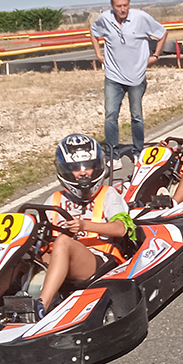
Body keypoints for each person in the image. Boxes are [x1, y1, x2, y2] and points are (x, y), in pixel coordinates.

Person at [37, 134, 132, 313]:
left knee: (63, 242)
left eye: (88, 166)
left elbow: (121, 229)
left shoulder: (108, 194)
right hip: (59, 257)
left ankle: (41, 305)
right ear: (64, 170)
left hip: (98, 259)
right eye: (75, 168)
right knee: (20, 249)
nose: (83, 172)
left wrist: (84, 226)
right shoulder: (55, 199)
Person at [90, 0, 169, 162]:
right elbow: (94, 33)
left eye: (125, 5)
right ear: (113, 7)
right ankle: (113, 156)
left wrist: (155, 55)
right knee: (111, 115)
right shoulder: (105, 19)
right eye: (119, 6)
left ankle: (138, 150)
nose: (123, 9)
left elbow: (162, 33)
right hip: (113, 76)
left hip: (136, 76)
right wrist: (98, 54)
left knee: (136, 115)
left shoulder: (140, 18)